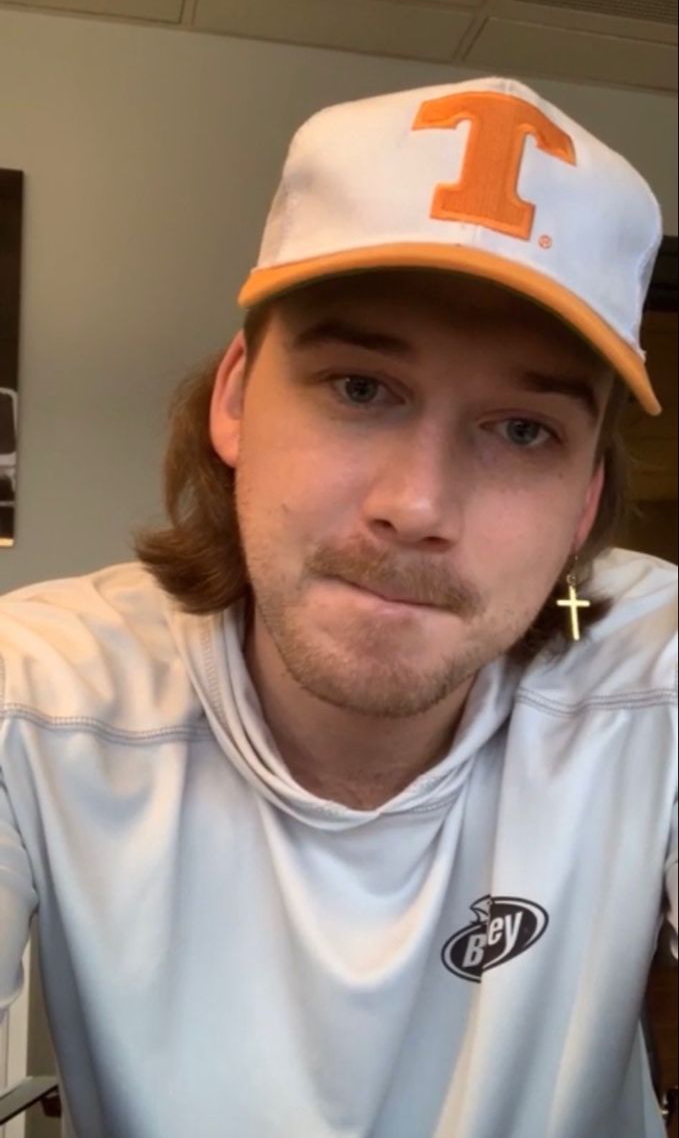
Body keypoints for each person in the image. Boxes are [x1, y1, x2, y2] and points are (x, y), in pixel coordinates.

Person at [0, 76, 676, 1138]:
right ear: (233, 399)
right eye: (362, 388)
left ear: (586, 499)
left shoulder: (658, 678)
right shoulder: (37, 695)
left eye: (523, 431)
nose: (415, 506)